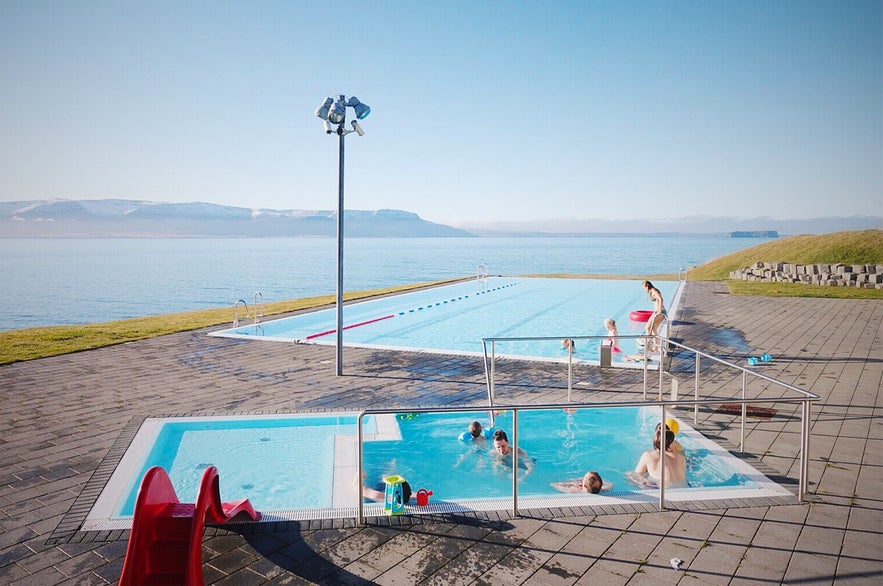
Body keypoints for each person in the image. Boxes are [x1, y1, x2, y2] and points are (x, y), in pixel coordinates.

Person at [642, 280, 668, 351]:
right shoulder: (651, 291)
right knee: (653, 329)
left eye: (644, 287)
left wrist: (659, 310)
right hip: (656, 312)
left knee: (647, 328)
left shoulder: (654, 291)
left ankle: (649, 346)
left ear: (647, 286)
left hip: (660, 312)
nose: (644, 289)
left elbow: (660, 298)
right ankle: (655, 348)